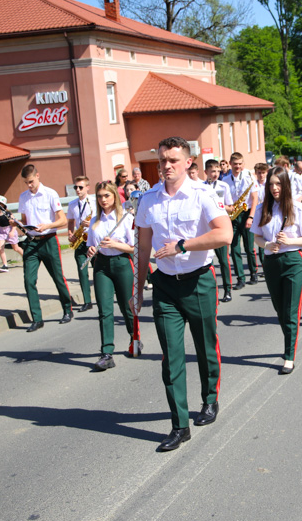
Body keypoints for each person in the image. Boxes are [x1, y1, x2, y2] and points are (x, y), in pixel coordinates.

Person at [133, 136, 233, 452]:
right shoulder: (149, 199)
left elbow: (224, 233)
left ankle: (210, 400)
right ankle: (179, 425)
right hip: (164, 285)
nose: (166, 166)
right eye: (162, 160)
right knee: (171, 356)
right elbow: (143, 247)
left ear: (188, 162)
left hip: (199, 280)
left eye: (173, 160)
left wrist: (182, 245)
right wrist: (138, 290)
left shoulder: (203, 194)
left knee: (205, 346)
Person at [252, 166, 302, 373]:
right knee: (279, 309)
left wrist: (290, 240)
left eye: (278, 183)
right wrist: (267, 245)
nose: (274, 188)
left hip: (292, 261)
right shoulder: (262, 209)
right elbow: (257, 237)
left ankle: (289, 356)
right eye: (271, 184)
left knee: (290, 311)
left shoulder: (298, 208)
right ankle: (290, 341)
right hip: (271, 262)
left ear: (285, 185)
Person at [15, 164, 73, 333]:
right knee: (29, 280)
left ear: (38, 176)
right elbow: (24, 220)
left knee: (57, 277)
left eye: (31, 181)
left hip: (49, 240)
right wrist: (18, 224)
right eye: (26, 182)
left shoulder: (50, 193)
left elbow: (62, 220)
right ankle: (37, 318)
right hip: (31, 241)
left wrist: (48, 225)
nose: (29, 185)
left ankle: (67, 309)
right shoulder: (23, 197)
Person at [86, 181, 137, 371]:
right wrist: (90, 250)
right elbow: (90, 246)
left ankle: (135, 338)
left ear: (114, 196)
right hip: (101, 266)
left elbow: (134, 248)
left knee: (126, 306)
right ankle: (107, 353)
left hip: (122, 263)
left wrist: (115, 245)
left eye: (106, 195)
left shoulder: (124, 218)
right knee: (104, 309)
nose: (103, 200)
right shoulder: (94, 221)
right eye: (99, 196)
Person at [228, 152, 259, 289]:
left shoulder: (249, 178)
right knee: (234, 248)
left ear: (243, 164)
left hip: (246, 213)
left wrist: (251, 217)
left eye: (240, 164)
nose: (238, 166)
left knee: (249, 247)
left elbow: (255, 199)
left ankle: (253, 273)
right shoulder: (225, 181)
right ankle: (240, 278)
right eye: (235, 164)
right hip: (233, 214)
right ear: (230, 164)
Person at [205, 159, 235, 302]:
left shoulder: (223, 185)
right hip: (206, 228)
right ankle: (211, 292)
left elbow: (230, 207)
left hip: (220, 225)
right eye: (212, 171)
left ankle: (227, 290)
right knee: (207, 262)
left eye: (217, 171)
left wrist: (220, 205)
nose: (215, 173)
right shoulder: (200, 187)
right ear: (206, 172)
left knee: (224, 260)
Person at [66, 176, 97, 313]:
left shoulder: (95, 202)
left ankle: (102, 295)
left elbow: (103, 219)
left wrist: (91, 224)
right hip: (80, 241)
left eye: (80, 187)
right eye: (76, 187)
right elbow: (70, 222)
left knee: (98, 270)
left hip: (93, 239)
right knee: (82, 271)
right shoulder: (72, 204)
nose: (77, 190)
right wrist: (70, 234)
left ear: (88, 187)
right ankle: (87, 301)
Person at [0, 196, 23, 272]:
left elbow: (15, 222)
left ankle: (26, 257)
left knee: (15, 248)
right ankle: (5, 265)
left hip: (9, 229)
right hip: (1, 231)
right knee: (0, 247)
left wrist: (12, 231)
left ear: (3, 205)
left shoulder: (8, 213)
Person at [254, 162, 269, 268]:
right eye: (259, 173)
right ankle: (263, 263)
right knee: (259, 237)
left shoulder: (269, 184)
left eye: (263, 173)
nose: (261, 175)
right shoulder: (254, 184)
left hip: (268, 211)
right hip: (257, 212)